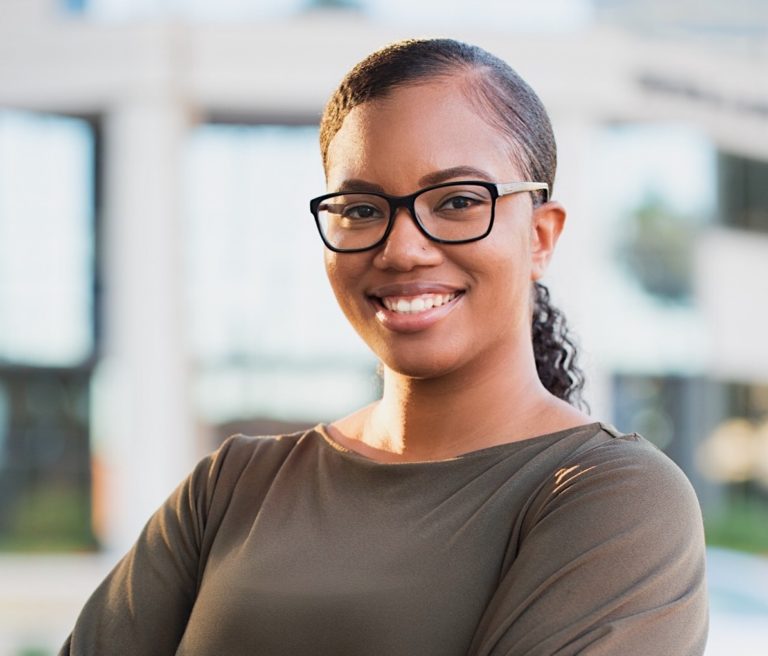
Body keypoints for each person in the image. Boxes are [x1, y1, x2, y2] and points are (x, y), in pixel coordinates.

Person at [61, 38, 708, 655]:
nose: (401, 248)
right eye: (361, 209)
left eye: (457, 200)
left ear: (541, 236)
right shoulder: (231, 490)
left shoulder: (616, 500)